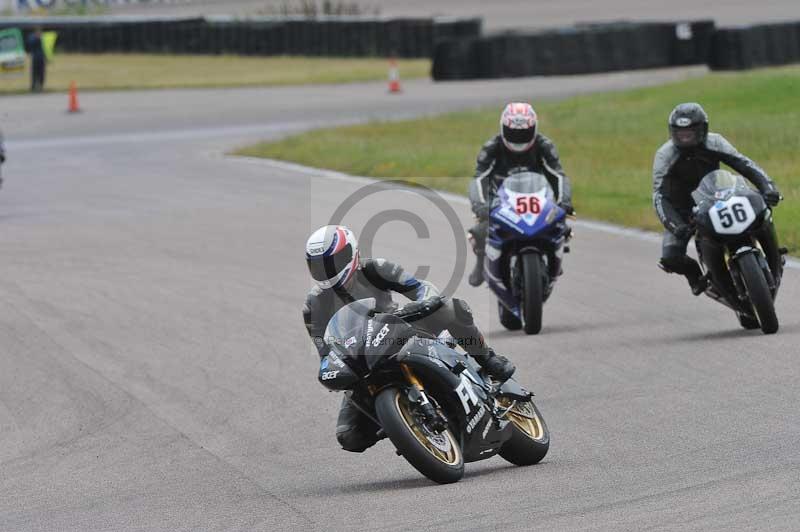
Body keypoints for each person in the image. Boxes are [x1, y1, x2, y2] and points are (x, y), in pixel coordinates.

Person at [303, 224, 516, 452]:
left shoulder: (376, 268)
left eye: (333, 262)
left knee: (452, 308)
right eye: (319, 266)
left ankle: (487, 359)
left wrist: (421, 305)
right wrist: (333, 370)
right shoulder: (314, 304)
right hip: (362, 357)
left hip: (399, 329)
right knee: (349, 436)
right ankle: (405, 423)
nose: (327, 270)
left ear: (351, 252)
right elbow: (325, 351)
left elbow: (421, 288)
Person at [653, 102, 781, 295]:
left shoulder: (715, 142)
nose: (685, 137)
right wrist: (675, 224)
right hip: (682, 210)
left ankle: (774, 255)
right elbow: (659, 196)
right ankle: (696, 276)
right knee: (671, 257)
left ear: (703, 129)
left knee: (761, 212)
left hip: (717, 197)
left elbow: (744, 164)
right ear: (672, 132)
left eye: (690, 132)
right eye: (680, 133)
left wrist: (767, 186)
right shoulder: (664, 155)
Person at [467, 102, 573, 286]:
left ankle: (554, 257)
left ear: (533, 128)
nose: (518, 137)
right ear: (503, 128)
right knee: (480, 230)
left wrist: (564, 201)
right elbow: (478, 179)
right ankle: (481, 264)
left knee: (561, 225)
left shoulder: (544, 145)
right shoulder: (491, 147)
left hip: (536, 197)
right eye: (513, 132)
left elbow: (558, 175)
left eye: (523, 132)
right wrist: (479, 205)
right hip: (500, 201)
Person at [26, 28, 46, 93]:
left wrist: (46, 58)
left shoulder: (42, 39)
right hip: (35, 59)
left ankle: (41, 86)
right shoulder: (32, 38)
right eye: (38, 32)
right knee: (34, 73)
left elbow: (44, 49)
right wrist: (36, 38)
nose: (39, 34)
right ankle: (33, 87)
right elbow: (29, 45)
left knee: (41, 73)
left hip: (41, 58)